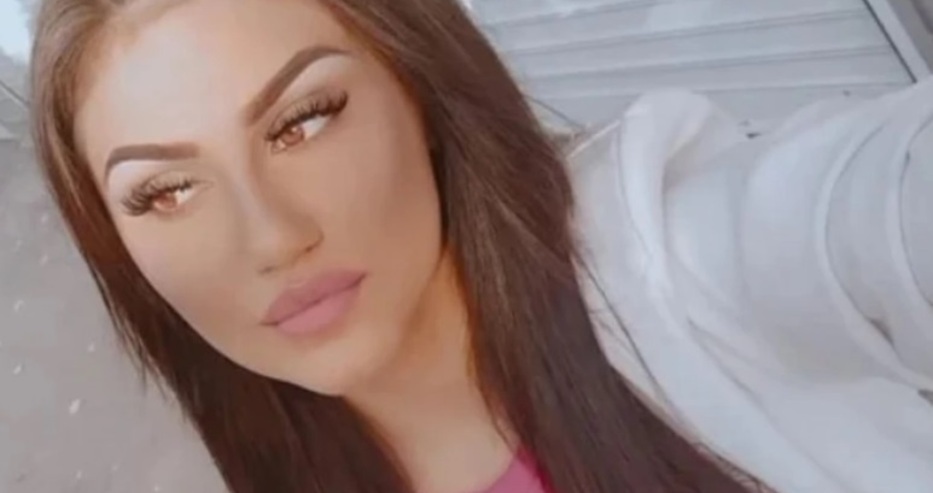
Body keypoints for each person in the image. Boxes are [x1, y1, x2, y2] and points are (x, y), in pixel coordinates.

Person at [27, 0, 932, 492]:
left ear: (418, 92)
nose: (270, 237)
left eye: (304, 120)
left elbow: (869, 212)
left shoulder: (673, 263)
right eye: (166, 191)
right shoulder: (282, 461)